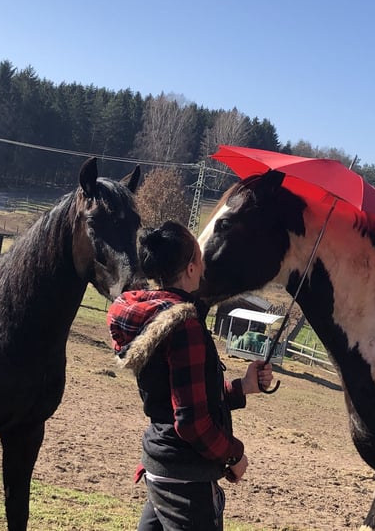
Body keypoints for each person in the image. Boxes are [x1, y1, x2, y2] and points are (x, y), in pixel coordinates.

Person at [108, 220, 274, 531]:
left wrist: (243, 387)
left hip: (162, 468)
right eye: (199, 255)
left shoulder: (151, 313)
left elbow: (181, 396)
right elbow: (192, 422)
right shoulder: (184, 325)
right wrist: (234, 454)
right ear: (191, 267)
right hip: (186, 479)